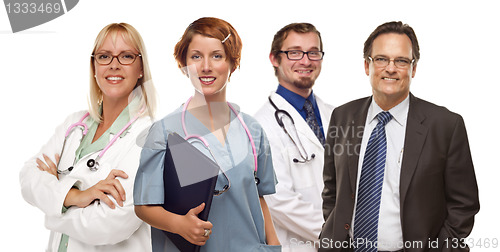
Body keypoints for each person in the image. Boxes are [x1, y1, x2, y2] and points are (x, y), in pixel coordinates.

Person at [320, 21, 479, 252]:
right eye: (381, 59)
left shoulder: (446, 125)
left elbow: (463, 205)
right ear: (367, 65)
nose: (391, 68)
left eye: (401, 61)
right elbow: (331, 189)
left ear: (413, 69)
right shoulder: (343, 117)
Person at [133, 17, 281, 252]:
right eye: (196, 56)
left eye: (217, 55)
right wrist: (178, 224)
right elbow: (143, 205)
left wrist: (274, 247)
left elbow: (260, 198)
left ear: (233, 62)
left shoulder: (252, 129)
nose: (205, 67)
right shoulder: (164, 132)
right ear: (184, 64)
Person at [19, 23, 157, 252]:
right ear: (94, 66)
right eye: (104, 56)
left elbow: (110, 224)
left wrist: (53, 207)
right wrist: (77, 196)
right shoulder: (73, 125)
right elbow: (27, 177)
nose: (114, 65)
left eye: (126, 56)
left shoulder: (149, 139)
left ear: (141, 68)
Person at [254, 23, 333, 251]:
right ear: (274, 59)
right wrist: (337, 234)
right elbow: (278, 199)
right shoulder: (261, 125)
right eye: (294, 52)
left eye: (313, 52)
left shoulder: (335, 114)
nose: (306, 61)